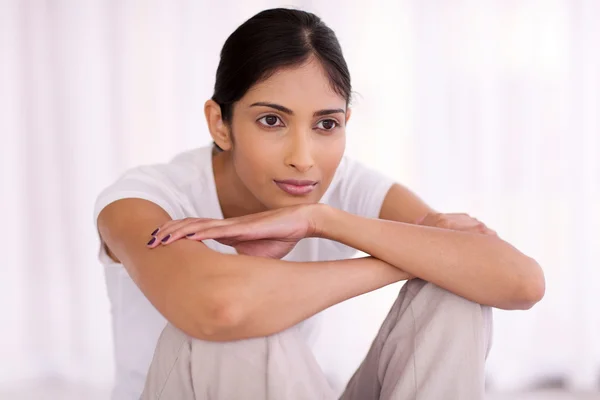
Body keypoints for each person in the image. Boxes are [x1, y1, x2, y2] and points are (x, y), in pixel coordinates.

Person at [94, 7, 545, 400]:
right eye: (272, 121)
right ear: (221, 124)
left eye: (325, 125)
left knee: (454, 294)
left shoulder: (341, 187)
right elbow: (221, 308)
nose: (302, 159)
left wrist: (321, 219)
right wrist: (407, 260)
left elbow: (522, 283)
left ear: (345, 122)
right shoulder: (142, 198)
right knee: (241, 326)